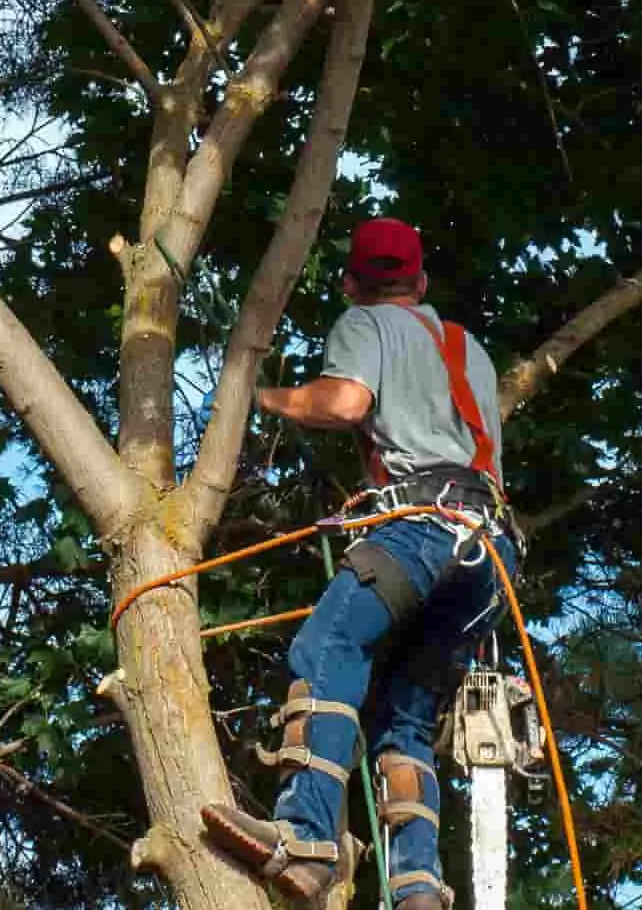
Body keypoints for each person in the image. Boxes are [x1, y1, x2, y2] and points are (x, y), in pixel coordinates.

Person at [199, 217, 520, 910]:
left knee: (329, 646)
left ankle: (307, 838)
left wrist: (269, 397)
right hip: (490, 553)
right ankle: (416, 890)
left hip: (422, 531)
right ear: (422, 282)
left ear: (352, 283)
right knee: (404, 716)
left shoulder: (364, 323)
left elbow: (346, 402)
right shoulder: (470, 350)